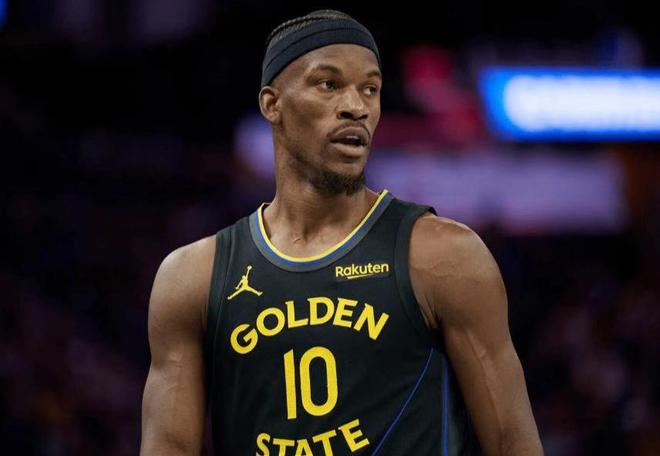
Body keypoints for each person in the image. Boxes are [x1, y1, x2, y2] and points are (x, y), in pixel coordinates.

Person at [140, 9, 543, 455]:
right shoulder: (194, 276)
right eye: (329, 84)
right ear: (272, 104)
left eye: (370, 88)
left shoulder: (441, 255)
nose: (357, 106)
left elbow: (512, 441)